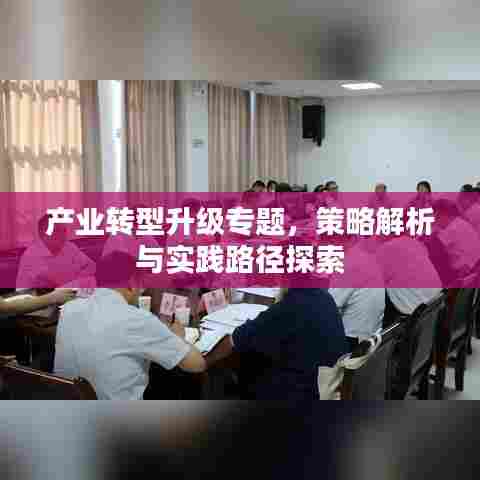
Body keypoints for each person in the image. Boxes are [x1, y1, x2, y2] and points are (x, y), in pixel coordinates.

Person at [54, 252, 206, 400]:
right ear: (132, 283)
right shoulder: (137, 319)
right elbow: (197, 364)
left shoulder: (68, 309)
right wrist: (179, 337)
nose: (141, 290)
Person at [205, 288, 348, 400]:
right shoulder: (323, 297)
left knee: (241, 363)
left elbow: (236, 340)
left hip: (302, 394)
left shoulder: (290, 307)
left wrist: (202, 361)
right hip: (325, 385)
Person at [329, 237, 385, 349]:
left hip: (352, 342)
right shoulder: (366, 257)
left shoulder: (348, 263)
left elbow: (330, 308)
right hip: (372, 336)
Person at [16, 214, 96, 289]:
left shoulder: (69, 247)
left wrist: (79, 279)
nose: (62, 235)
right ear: (42, 234)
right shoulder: (31, 256)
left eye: (64, 231)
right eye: (56, 231)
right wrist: (77, 281)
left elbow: (90, 266)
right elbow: (55, 282)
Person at [426, 198, 480, 284]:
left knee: (431, 257)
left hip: (462, 275)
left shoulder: (451, 229)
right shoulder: (461, 222)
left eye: (435, 217)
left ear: (442, 214)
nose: (434, 220)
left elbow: (433, 244)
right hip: (474, 270)